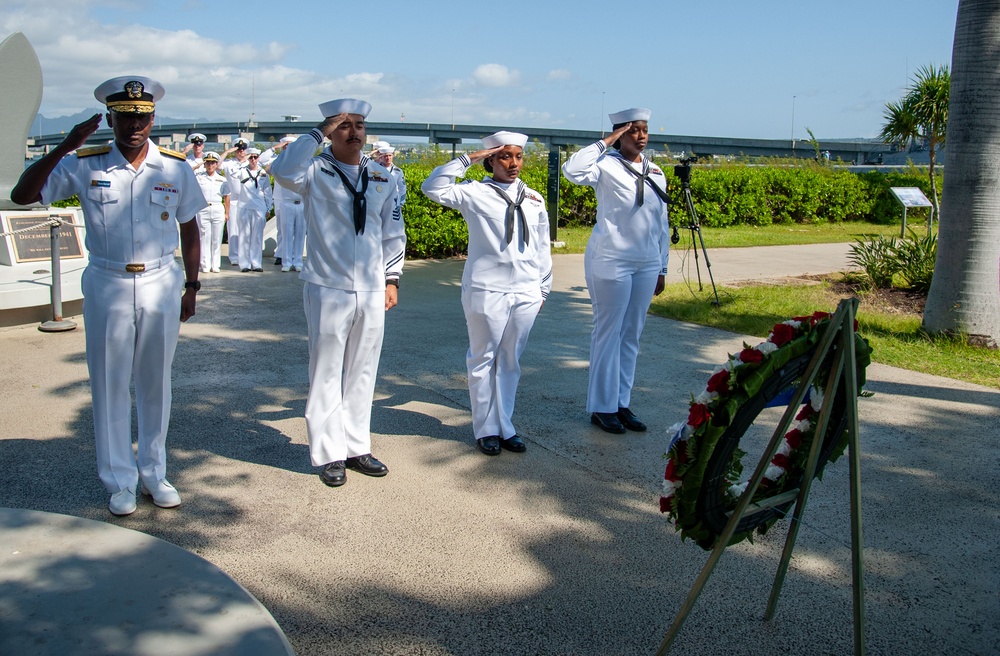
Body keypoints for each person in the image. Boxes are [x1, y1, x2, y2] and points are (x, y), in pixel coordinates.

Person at [11, 76, 206, 515]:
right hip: (107, 282)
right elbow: (23, 196)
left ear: (153, 119)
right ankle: (120, 479)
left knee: (156, 383)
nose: (133, 126)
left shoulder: (174, 167)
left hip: (160, 281)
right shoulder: (85, 163)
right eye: (123, 117)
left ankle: (155, 473)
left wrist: (192, 285)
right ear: (110, 119)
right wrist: (64, 145)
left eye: (141, 117)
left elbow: (189, 226)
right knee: (109, 382)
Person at [270, 98, 405, 488]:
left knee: (363, 369)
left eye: (360, 124)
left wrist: (392, 278)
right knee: (327, 370)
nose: (355, 131)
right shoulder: (313, 170)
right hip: (328, 286)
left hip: (371, 286)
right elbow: (282, 169)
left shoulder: (382, 175)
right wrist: (317, 132)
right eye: (345, 125)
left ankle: (356, 445)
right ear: (331, 130)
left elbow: (393, 231)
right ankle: (329, 453)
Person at [422, 131, 551, 455]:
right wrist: (470, 158)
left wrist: (542, 289)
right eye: (505, 156)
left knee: (511, 361)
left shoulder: (534, 198)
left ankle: (505, 425)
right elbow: (432, 187)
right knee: (482, 359)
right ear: (491, 159)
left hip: (525, 291)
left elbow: (542, 247)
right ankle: (486, 429)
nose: (513, 163)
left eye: (518, 156)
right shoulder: (474, 193)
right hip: (486, 288)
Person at [562, 107, 670, 434]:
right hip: (611, 259)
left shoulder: (656, 172)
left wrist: (662, 266)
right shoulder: (605, 166)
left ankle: (622, 403)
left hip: (647, 261)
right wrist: (606, 141)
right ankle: (602, 406)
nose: (641, 136)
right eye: (633, 130)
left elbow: (661, 224)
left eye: (644, 130)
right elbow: (571, 169)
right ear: (621, 133)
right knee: (609, 332)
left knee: (632, 334)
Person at [264, 137, 306, 272]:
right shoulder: (279, 162)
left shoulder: (302, 160)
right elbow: (265, 165)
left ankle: (298, 261)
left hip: (301, 203)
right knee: (285, 233)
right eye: (286, 146)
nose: (289, 148)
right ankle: (286, 261)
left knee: (300, 234)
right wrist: (279, 151)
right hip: (285, 202)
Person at [236, 147, 272, 272]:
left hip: (259, 207)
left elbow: (268, 192)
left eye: (255, 157)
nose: (253, 159)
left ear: (258, 158)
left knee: (257, 236)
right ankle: (244, 264)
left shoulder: (263, 173)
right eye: (250, 157)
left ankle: (256, 263)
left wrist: (268, 208)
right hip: (244, 206)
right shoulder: (241, 170)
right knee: (244, 236)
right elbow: (233, 174)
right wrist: (244, 159)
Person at [195, 151, 231, 272]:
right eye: (208, 163)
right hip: (203, 208)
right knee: (204, 237)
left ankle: (215, 264)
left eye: (213, 163)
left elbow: (227, 196)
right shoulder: (199, 178)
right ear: (204, 164)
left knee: (217, 237)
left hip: (217, 208)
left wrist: (227, 213)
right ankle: (205, 264)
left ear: (216, 165)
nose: (210, 165)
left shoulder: (222, 179)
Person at [220, 137, 250, 266]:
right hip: (233, 200)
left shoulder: (250, 161)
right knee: (233, 229)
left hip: (247, 201)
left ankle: (245, 254)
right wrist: (227, 152)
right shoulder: (229, 163)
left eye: (243, 149)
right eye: (238, 149)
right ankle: (233, 255)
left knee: (246, 229)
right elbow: (218, 164)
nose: (241, 152)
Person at [373, 141, 407, 213]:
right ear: (381, 157)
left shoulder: (398, 171)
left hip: (393, 203)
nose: (388, 158)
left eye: (390, 155)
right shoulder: (374, 168)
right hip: (378, 202)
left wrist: (400, 203)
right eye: (385, 156)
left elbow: (402, 188)